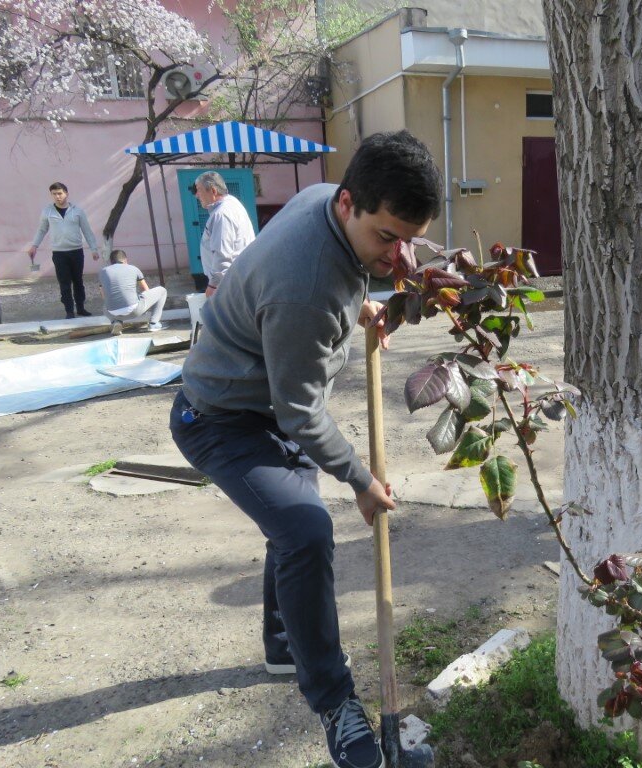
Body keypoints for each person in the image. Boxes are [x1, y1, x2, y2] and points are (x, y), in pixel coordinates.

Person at [169, 130, 442, 768]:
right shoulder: (305, 289)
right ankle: (334, 700)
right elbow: (300, 413)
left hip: (263, 403)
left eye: (409, 238)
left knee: (290, 527)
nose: (397, 253)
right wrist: (360, 479)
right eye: (386, 237)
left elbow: (343, 274)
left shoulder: (325, 201)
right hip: (220, 418)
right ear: (349, 203)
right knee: (305, 529)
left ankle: (281, 643)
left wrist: (364, 305)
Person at [28, 182, 100, 319]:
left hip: (76, 251)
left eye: (60, 193)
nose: (57, 197)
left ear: (66, 193)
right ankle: (69, 311)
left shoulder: (78, 211)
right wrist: (34, 245)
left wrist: (94, 249)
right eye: (54, 194)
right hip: (59, 253)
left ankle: (80, 308)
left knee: (78, 281)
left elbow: (87, 230)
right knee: (64, 283)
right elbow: (42, 229)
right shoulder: (47, 211)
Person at [192, 171, 256, 297]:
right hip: (239, 278)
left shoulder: (221, 214)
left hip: (229, 284)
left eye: (199, 190)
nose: (197, 195)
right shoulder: (233, 204)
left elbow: (223, 254)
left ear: (213, 191)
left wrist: (213, 286)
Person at [98, 250, 167, 334]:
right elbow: (145, 289)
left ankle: (116, 322)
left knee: (106, 304)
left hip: (111, 313)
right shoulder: (133, 268)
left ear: (111, 262)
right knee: (162, 290)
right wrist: (146, 308)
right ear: (126, 260)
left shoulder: (103, 272)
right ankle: (154, 323)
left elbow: (103, 295)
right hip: (134, 310)